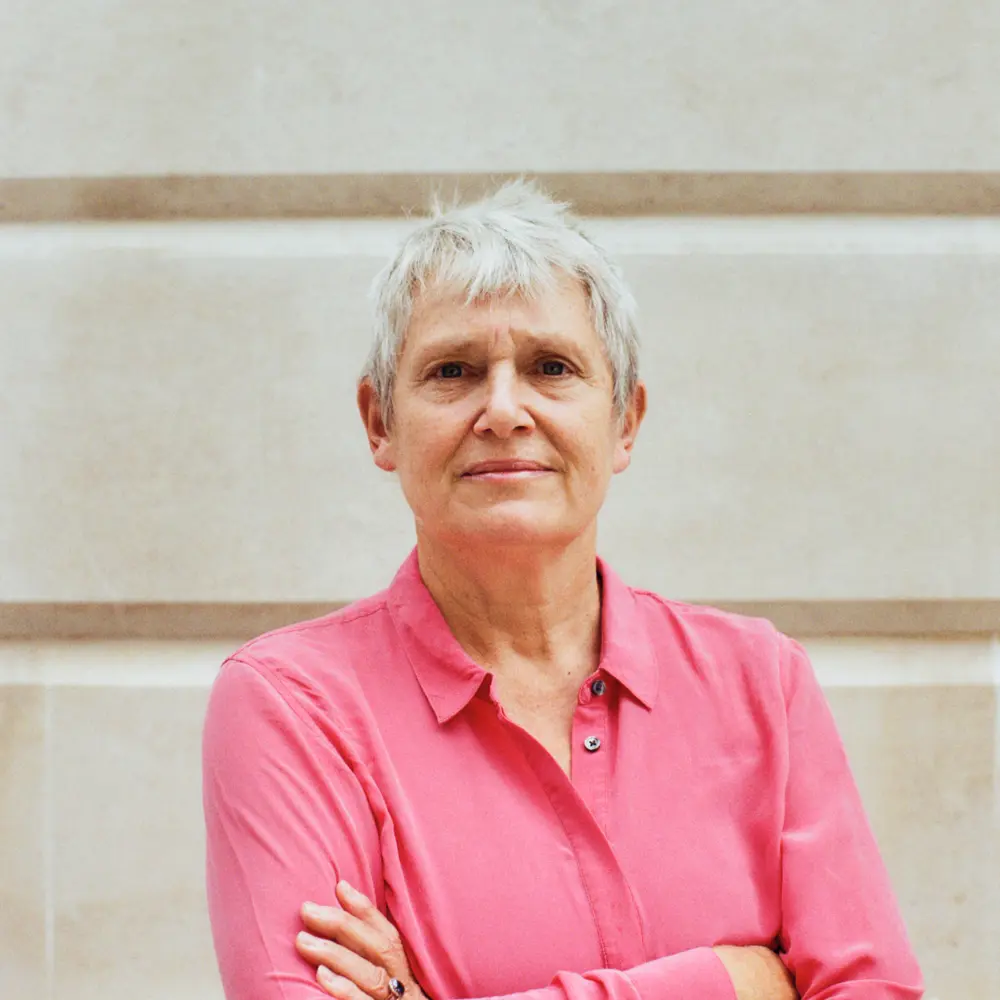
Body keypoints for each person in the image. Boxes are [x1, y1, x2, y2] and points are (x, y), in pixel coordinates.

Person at [201, 180, 924, 1000]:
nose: (504, 410)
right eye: (453, 371)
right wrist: (729, 980)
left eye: (551, 367)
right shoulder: (294, 707)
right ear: (380, 424)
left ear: (624, 422)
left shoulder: (761, 681)